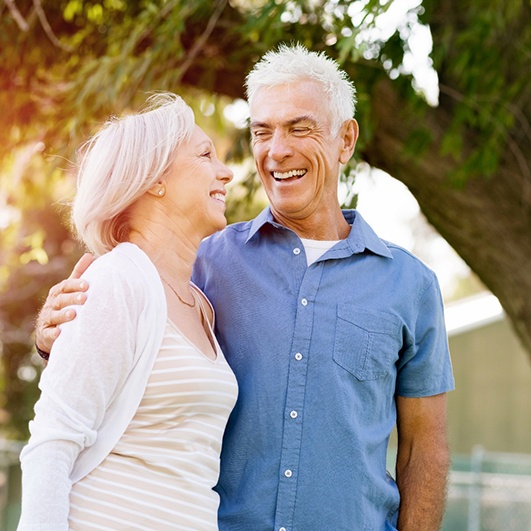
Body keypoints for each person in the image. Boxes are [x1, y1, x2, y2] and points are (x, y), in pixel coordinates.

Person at [35, 44, 454, 530]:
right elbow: (112, 341)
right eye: (262, 132)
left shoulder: (410, 286)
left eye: (300, 128)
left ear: (345, 140)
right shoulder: (200, 262)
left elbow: (426, 447)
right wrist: (54, 334)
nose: (277, 150)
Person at [18, 92, 237, 530]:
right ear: (155, 178)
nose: (226, 172)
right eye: (205, 155)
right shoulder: (118, 281)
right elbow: (52, 442)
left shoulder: (201, 305)